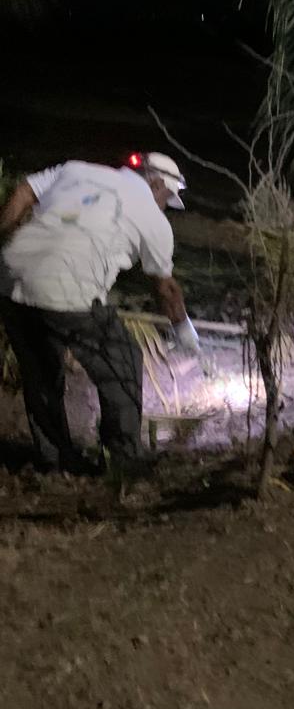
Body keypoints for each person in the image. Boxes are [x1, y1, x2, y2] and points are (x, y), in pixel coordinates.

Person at [0, 152, 200, 472]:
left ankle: (55, 460)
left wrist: (5, 238)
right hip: (67, 293)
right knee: (123, 360)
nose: (165, 206)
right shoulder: (154, 220)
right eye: (167, 198)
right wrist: (183, 329)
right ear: (157, 184)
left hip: (10, 281)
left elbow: (24, 191)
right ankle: (123, 458)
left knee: (42, 374)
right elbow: (165, 289)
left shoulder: (75, 170)